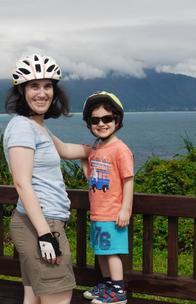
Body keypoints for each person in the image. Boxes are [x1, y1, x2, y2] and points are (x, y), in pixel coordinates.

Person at [3, 53, 89, 304]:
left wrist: (95, 151)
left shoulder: (36, 126)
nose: (42, 93)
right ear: (21, 92)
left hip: (37, 221)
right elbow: (21, 182)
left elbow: (64, 150)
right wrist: (45, 235)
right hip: (41, 224)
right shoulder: (22, 128)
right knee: (58, 298)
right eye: (34, 86)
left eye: (47, 86)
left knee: (34, 299)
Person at [81, 91, 134, 304]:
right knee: (101, 251)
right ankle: (107, 285)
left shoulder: (121, 150)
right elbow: (92, 178)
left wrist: (125, 209)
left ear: (117, 121)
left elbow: (128, 180)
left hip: (112, 212)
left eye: (107, 118)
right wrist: (84, 159)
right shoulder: (97, 148)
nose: (101, 123)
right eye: (95, 120)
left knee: (112, 252)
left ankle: (119, 291)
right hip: (97, 212)